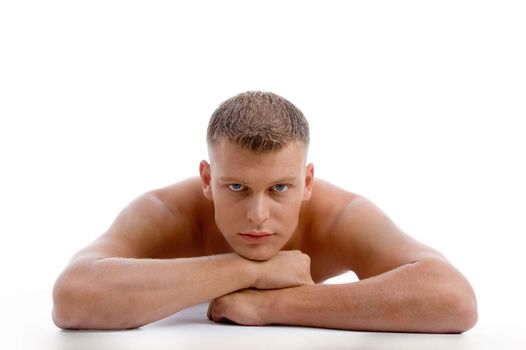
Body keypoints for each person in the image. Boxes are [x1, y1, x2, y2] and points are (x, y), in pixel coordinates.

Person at [52, 91, 478, 333]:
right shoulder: (165, 212)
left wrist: (274, 307)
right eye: (236, 187)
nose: (258, 214)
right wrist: (248, 271)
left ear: (307, 182)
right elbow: (72, 297)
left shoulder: (339, 216)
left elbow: (454, 299)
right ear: (206, 179)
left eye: (280, 188)